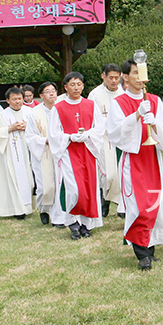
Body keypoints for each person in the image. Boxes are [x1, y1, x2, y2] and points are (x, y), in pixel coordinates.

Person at [106, 59, 163, 270]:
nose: (141, 78)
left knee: (153, 202)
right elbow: (115, 132)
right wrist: (136, 115)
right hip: (134, 158)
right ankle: (141, 252)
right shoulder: (119, 102)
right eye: (135, 73)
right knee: (137, 205)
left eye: (143, 73)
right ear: (126, 77)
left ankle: (149, 248)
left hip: (152, 156)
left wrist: (153, 122)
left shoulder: (154, 99)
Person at [48, 72, 104, 240]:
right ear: (65, 87)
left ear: (83, 86)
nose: (76, 87)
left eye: (79, 84)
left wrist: (88, 134)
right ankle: (72, 222)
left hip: (88, 150)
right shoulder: (58, 107)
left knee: (89, 188)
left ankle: (86, 224)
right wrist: (69, 137)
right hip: (68, 151)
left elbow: (100, 128)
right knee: (73, 189)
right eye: (72, 84)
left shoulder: (91, 105)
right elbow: (53, 133)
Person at [25, 82, 65, 227]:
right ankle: (43, 208)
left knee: (59, 184)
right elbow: (29, 137)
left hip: (60, 152)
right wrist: (45, 140)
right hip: (43, 153)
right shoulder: (34, 113)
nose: (52, 94)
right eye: (48, 92)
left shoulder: (61, 109)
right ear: (41, 96)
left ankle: (58, 217)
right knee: (45, 187)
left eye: (54, 91)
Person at [88, 63, 125, 218]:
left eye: (117, 77)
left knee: (122, 173)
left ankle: (122, 207)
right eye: (111, 77)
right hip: (104, 138)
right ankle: (105, 199)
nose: (114, 81)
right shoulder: (95, 95)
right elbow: (91, 118)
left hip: (121, 138)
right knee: (108, 174)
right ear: (103, 76)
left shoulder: (123, 93)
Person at [0, 87, 34, 219]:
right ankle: (17, 209)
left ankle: (27, 206)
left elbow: (39, 127)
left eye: (19, 99)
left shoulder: (30, 112)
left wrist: (28, 127)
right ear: (8, 100)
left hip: (27, 153)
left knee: (29, 180)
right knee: (13, 180)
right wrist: (10, 128)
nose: (17, 102)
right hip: (11, 153)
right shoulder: (2, 116)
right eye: (14, 99)